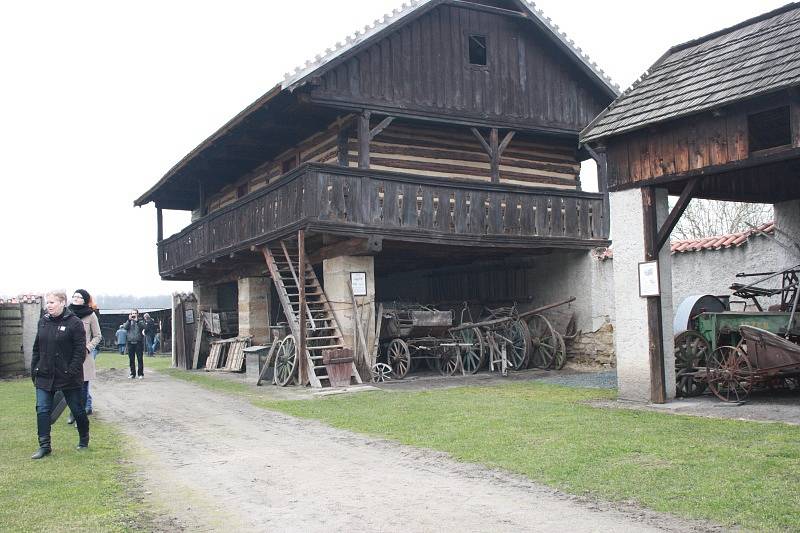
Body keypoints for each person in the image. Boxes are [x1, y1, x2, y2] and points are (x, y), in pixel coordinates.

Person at [30, 290, 90, 459]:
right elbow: (37, 348)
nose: (48, 305)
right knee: (42, 409)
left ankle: (84, 439)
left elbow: (80, 351)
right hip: (44, 375)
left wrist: (71, 371)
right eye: (47, 302)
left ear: (63, 302)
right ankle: (44, 446)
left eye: (52, 302)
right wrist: (34, 369)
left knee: (77, 410)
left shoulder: (74, 323)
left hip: (68, 377)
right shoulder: (43, 322)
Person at [67, 289, 101, 422]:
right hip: (68, 356)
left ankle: (80, 416)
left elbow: (98, 335)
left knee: (82, 387)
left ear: (85, 300)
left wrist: (88, 348)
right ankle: (72, 412)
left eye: (79, 297)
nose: (75, 298)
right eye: (74, 296)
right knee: (69, 387)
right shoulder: (66, 313)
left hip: (84, 357)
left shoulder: (91, 315)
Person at [125, 309, 146, 379]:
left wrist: (137, 321)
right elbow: (125, 327)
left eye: (135, 313)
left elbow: (144, 327)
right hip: (130, 342)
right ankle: (132, 374)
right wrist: (129, 320)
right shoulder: (128, 321)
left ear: (137, 314)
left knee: (140, 359)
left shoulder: (140, 321)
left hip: (138, 342)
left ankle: (140, 374)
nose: (133, 315)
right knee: (131, 359)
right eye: (132, 313)